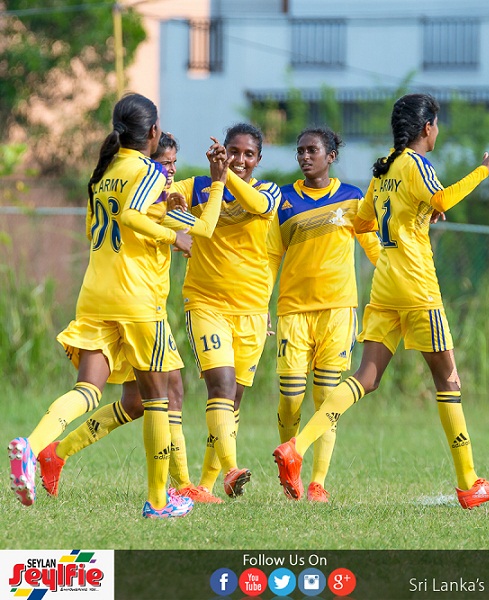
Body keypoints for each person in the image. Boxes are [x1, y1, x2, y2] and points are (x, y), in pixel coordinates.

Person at [273, 93, 489, 509]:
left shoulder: (385, 168)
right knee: (449, 381)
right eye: (436, 125)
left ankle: (297, 447)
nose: (437, 132)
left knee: (365, 378)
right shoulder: (415, 164)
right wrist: (485, 169)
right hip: (418, 286)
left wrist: (415, 213)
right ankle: (469, 482)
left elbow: (365, 219)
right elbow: (442, 199)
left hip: (384, 285)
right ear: (427, 128)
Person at [8, 93, 203, 518]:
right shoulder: (146, 171)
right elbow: (142, 217)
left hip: (96, 293)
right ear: (152, 133)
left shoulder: (102, 174)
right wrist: (174, 235)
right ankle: (158, 501)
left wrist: (174, 215)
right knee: (158, 398)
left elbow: (108, 224)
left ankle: (32, 446)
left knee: (88, 389)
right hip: (137, 299)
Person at [37, 133, 228, 505]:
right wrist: (217, 182)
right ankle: (175, 489)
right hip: (139, 308)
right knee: (166, 393)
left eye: (174, 162)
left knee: (136, 402)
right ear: (146, 162)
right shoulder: (152, 200)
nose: (170, 170)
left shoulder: (120, 186)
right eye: (164, 162)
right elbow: (203, 230)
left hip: (113, 301)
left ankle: (53, 453)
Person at [267, 127, 381, 502]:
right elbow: (271, 257)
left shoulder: (352, 198)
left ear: (331, 155)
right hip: (293, 311)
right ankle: (290, 462)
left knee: (328, 397)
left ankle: (317, 481)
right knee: (290, 398)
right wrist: (260, 303)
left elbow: (373, 247)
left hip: (337, 310)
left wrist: (393, 284)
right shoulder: (284, 200)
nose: (304, 157)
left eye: (312, 150)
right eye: (299, 151)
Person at [168, 123, 281, 499]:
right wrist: (173, 209)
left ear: (259, 159)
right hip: (206, 303)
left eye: (249, 154)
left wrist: (226, 175)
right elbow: (162, 198)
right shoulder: (199, 186)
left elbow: (258, 206)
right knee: (221, 386)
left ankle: (205, 485)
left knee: (233, 401)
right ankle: (233, 470)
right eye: (234, 151)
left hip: (251, 311)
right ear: (223, 151)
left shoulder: (267, 191)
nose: (241, 159)